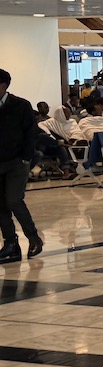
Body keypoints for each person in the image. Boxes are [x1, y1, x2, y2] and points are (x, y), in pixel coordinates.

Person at [0, 70, 43, 263]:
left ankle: (33, 238)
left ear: (4, 85)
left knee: (14, 200)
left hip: (16, 162)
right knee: (0, 204)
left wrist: (26, 158)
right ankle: (10, 244)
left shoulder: (21, 105)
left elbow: (31, 133)